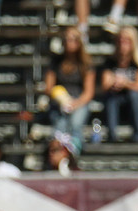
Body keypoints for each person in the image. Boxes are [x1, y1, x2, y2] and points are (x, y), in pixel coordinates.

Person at [45, 27, 95, 156]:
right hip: (59, 101)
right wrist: (62, 100)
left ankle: (74, 155)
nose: (69, 42)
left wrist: (75, 103)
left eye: (73, 39)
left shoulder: (85, 63)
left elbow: (88, 92)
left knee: (76, 123)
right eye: (66, 39)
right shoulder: (56, 61)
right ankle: (57, 156)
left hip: (79, 100)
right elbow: (49, 87)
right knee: (60, 125)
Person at [99, 26, 138, 142]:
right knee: (111, 98)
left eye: (126, 40)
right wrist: (115, 83)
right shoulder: (110, 62)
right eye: (120, 40)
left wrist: (125, 83)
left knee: (134, 95)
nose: (122, 43)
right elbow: (105, 85)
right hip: (117, 101)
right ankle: (112, 135)